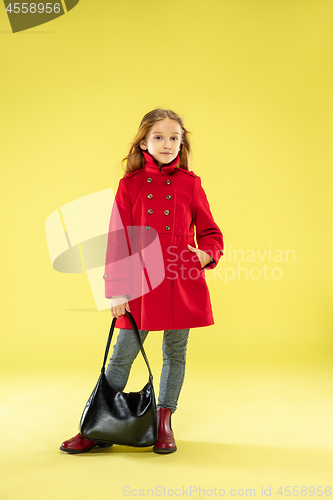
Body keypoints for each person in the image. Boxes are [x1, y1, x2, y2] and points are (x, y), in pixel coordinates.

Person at [60, 108, 224, 455]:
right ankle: (96, 426)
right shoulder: (130, 185)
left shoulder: (191, 184)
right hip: (140, 283)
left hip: (182, 280)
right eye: (159, 137)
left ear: (182, 144)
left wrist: (207, 254)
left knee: (175, 353)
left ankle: (163, 421)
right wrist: (117, 287)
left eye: (174, 138)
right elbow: (118, 238)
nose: (167, 144)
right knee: (121, 356)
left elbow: (211, 232)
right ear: (145, 143)